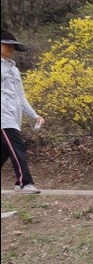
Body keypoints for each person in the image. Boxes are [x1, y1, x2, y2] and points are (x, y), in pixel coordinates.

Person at [1, 30, 44, 194]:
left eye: (13, 45)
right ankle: (24, 183)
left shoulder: (15, 70)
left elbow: (21, 96)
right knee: (17, 147)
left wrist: (34, 115)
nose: (11, 48)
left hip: (14, 116)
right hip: (3, 117)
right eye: (7, 44)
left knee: (6, 149)